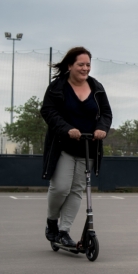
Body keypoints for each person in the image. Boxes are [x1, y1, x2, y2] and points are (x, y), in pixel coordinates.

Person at [41, 47, 112, 247]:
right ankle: (52, 222)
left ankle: (64, 231)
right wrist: (67, 128)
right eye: (81, 64)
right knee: (61, 187)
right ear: (70, 65)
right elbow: (48, 111)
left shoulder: (96, 87)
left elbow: (106, 113)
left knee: (77, 190)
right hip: (64, 145)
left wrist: (102, 128)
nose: (85, 68)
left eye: (88, 64)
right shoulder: (57, 87)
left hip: (88, 146)